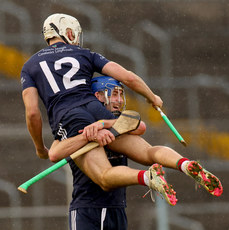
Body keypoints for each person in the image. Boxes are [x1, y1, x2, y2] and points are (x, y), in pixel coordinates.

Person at [20, 13, 222, 227]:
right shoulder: (85, 54)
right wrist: (152, 97)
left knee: (104, 177)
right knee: (147, 152)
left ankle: (147, 178)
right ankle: (184, 163)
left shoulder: (30, 66)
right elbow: (129, 77)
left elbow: (33, 113)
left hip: (70, 118)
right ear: (69, 33)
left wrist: (39, 148)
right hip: (95, 109)